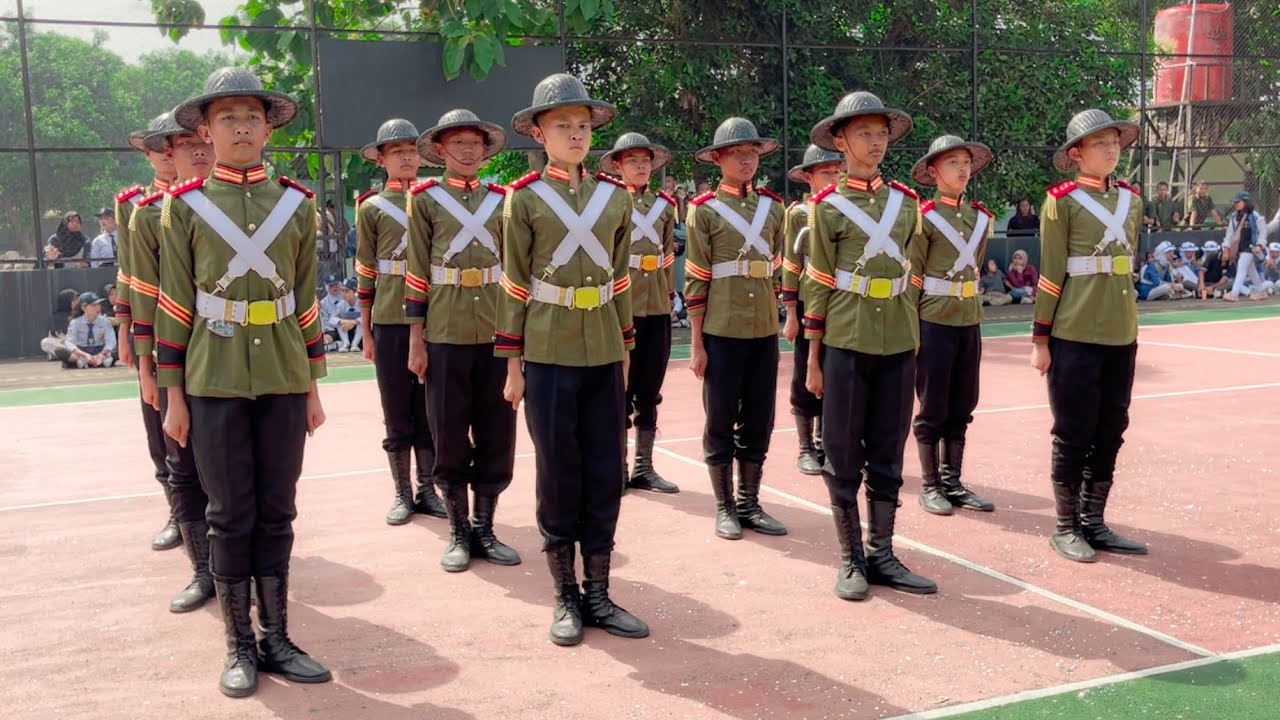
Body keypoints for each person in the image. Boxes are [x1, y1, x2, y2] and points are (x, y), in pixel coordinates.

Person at [156, 67, 331, 697]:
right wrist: (173, 395)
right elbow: (174, 304)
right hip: (214, 379)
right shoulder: (184, 207)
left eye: (251, 116)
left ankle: (278, 636)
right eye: (227, 117)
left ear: (268, 127)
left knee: (278, 511)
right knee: (229, 515)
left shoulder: (296, 204)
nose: (241, 127)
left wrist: (313, 384)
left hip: (284, 373)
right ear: (206, 129)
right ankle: (239, 643)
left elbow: (306, 300)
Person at [497, 73, 647, 647]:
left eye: (583, 126)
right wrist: (512, 366)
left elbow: (622, 278)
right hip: (549, 349)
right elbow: (513, 283)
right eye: (563, 125)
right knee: (559, 472)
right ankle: (565, 595)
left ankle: (600, 593)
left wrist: (626, 348)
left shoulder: (614, 197)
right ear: (539, 132)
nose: (576, 134)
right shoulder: (524, 198)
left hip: (605, 347)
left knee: (606, 470)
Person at [804, 91, 935, 600]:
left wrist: (916, 339)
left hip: (898, 339)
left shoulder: (905, 203)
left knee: (887, 448)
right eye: (864, 134)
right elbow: (817, 284)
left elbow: (912, 271)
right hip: (847, 339)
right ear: (840, 141)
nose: (875, 142)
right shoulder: (826, 207)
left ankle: (883, 553)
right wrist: (813, 359)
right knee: (841, 450)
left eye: (881, 133)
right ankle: (850, 559)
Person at [1031, 108, 1148, 563]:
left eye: (1115, 141)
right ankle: (1066, 526)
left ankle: (1094, 521)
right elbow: (1050, 275)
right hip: (1074, 331)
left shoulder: (1132, 201)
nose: (1111, 148)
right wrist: (1041, 339)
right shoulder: (1061, 201)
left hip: (1121, 330)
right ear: (1076, 154)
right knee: (1073, 431)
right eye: (1100, 143)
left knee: (1111, 428)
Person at [405, 108, 519, 571]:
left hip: (495, 329)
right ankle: (457, 530)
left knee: (497, 433)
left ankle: (486, 530)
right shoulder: (425, 199)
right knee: (448, 433)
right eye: (458, 144)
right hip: (446, 330)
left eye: (476, 143)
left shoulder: (504, 200)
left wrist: (517, 340)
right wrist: (416, 340)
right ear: (440, 151)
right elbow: (416, 272)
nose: (468, 151)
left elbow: (515, 271)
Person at [127, 112, 217, 614]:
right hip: (172, 352)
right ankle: (204, 570)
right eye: (177, 146)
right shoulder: (145, 213)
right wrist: (146, 366)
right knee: (181, 461)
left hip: (226, 350)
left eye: (196, 142)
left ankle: (234, 565)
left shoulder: (239, 204)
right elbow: (143, 295)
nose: (190, 152)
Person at [685, 117, 788, 542]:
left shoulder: (774, 208)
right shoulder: (703, 210)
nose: (746, 160)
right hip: (721, 331)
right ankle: (725, 505)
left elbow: (778, 268)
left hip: (763, 330)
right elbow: (695, 278)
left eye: (752, 154)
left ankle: (750, 502)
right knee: (721, 418)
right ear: (718, 159)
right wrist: (696, 343)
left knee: (760, 418)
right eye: (737, 154)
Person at [354, 118, 447, 524]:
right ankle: (402, 491)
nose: (407, 157)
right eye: (397, 152)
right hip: (390, 318)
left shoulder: (437, 200)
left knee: (429, 408)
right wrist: (366, 327)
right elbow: (365, 269)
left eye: (412, 151)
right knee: (395, 406)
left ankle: (428, 489)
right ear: (381, 159)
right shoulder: (371, 208)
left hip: (435, 318)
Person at [907, 134, 998, 517]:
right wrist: (910, 332)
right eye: (952, 164)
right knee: (933, 405)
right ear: (933, 171)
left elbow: (974, 268)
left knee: (963, 403)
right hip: (933, 320)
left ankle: (953, 481)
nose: (962, 170)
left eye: (965, 163)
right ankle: (930, 485)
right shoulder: (923, 218)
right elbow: (913, 277)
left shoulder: (980, 218)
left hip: (968, 319)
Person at [600, 132, 680, 494]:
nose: (641, 166)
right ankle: (615, 465)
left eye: (646, 160)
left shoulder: (665, 205)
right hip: (622, 307)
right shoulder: (608, 202)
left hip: (656, 309)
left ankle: (644, 466)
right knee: (619, 390)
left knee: (650, 389)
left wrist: (668, 297)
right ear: (618, 166)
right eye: (633, 161)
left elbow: (666, 257)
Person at [117, 114, 182, 552]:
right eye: (157, 148)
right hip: (153, 323)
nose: (165, 154)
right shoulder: (134, 204)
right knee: (157, 421)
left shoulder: (202, 198)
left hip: (196, 324)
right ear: (148, 154)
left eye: (171, 145)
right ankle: (178, 511)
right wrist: (125, 330)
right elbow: (129, 273)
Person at [782, 144, 842, 475]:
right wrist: (791, 313)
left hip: (842, 302)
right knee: (806, 370)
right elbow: (791, 265)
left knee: (836, 372)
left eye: (837, 171)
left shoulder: (845, 209)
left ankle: (825, 442)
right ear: (809, 177)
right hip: (808, 300)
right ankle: (806, 447)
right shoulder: (798, 214)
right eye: (825, 172)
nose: (833, 177)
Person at [1223, 191, 1268, 301]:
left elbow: (1262, 232)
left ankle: (1234, 293)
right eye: (1235, 202)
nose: (1236, 204)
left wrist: (1259, 245)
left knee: (1241, 268)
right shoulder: (1234, 217)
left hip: (1251, 248)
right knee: (1251, 270)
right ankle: (1262, 291)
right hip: (1241, 248)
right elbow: (1229, 234)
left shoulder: (1256, 216)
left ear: (1246, 202)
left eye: (1238, 202)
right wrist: (1226, 248)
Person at [60, 292, 117, 368]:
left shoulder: (105, 322)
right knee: (61, 351)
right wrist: (85, 355)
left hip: (99, 349)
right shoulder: (75, 323)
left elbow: (111, 342)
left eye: (98, 304)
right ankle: (88, 361)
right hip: (82, 350)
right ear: (84, 307)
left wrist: (101, 354)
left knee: (119, 351)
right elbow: (70, 343)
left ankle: (86, 362)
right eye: (93, 305)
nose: (97, 308)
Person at [332, 278, 363, 351]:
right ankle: (346, 344)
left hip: (360, 335)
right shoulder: (340, 305)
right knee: (339, 321)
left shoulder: (362, 303)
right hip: (346, 332)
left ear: (355, 292)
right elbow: (332, 319)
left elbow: (369, 317)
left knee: (362, 322)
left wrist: (354, 322)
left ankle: (355, 344)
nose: (344, 294)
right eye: (342, 291)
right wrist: (342, 321)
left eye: (347, 291)